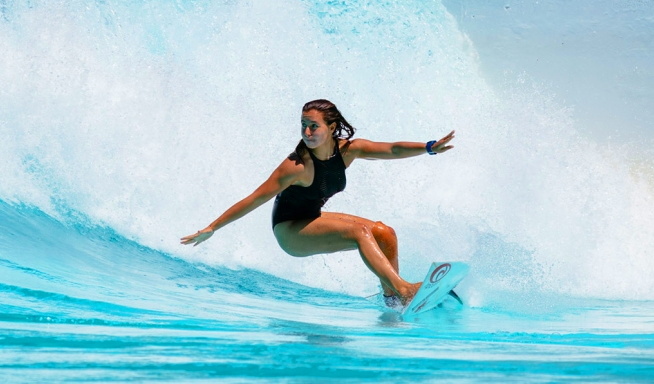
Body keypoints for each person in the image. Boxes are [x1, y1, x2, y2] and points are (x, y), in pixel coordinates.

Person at [180, 99, 455, 304]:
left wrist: (429, 147)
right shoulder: (296, 166)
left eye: (314, 126)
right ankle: (404, 290)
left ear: (331, 127)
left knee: (385, 233)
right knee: (360, 232)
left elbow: (392, 149)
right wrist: (212, 227)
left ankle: (393, 299)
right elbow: (255, 198)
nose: (307, 132)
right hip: (290, 232)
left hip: (311, 217)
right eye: (303, 126)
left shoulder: (348, 150)